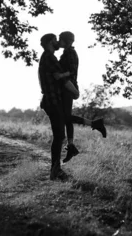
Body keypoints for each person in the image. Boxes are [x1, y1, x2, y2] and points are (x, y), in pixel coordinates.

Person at [58, 31, 107, 164]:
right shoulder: (67, 52)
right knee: (67, 118)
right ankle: (71, 146)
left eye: (60, 39)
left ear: (66, 41)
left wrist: (60, 76)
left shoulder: (70, 53)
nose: (58, 41)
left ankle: (95, 123)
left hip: (68, 87)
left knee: (67, 117)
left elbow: (72, 71)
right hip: (66, 87)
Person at [38, 33, 79, 180]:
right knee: (59, 136)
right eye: (55, 40)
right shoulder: (49, 57)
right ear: (50, 42)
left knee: (59, 135)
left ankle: (56, 170)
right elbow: (63, 78)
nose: (57, 42)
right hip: (52, 101)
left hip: (52, 101)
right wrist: (75, 92)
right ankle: (55, 171)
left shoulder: (48, 57)